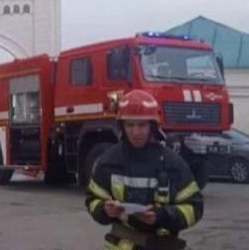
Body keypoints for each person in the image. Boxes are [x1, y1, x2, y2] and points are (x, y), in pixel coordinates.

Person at [85, 90, 203, 250]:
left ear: (152, 126)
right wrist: (105, 210)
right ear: (122, 127)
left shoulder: (172, 163)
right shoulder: (109, 161)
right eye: (130, 125)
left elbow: (194, 207)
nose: (135, 132)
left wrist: (161, 216)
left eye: (141, 125)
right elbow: (93, 199)